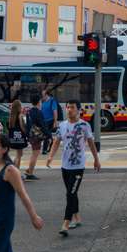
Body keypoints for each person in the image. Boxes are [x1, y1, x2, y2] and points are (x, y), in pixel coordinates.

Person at [45, 100, 101, 237]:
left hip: (78, 166)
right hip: (65, 166)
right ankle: (77, 217)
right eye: (68, 107)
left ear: (79, 110)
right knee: (71, 193)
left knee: (70, 193)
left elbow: (91, 143)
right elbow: (56, 141)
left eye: (72, 107)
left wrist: (96, 159)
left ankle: (66, 223)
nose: (69, 110)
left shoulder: (84, 125)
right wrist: (50, 156)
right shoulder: (62, 125)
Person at [23, 94, 47, 181]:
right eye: (41, 101)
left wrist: (27, 135)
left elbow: (28, 125)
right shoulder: (38, 112)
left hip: (31, 135)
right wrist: (48, 134)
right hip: (37, 136)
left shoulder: (29, 112)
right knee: (35, 154)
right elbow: (42, 125)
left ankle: (29, 170)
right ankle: (30, 173)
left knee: (34, 153)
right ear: (39, 102)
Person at [6, 99, 27, 168]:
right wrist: (25, 132)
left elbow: (9, 127)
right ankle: (16, 170)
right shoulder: (20, 115)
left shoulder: (11, 115)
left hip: (13, 137)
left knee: (18, 155)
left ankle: (14, 168)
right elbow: (22, 126)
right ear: (18, 107)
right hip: (20, 137)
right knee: (19, 155)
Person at [38, 89, 60, 155]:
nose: (42, 96)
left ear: (46, 95)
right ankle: (51, 143)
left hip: (50, 120)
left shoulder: (52, 101)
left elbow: (55, 112)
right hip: (43, 121)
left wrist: (55, 122)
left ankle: (44, 150)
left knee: (46, 135)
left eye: (43, 95)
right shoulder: (43, 101)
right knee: (47, 135)